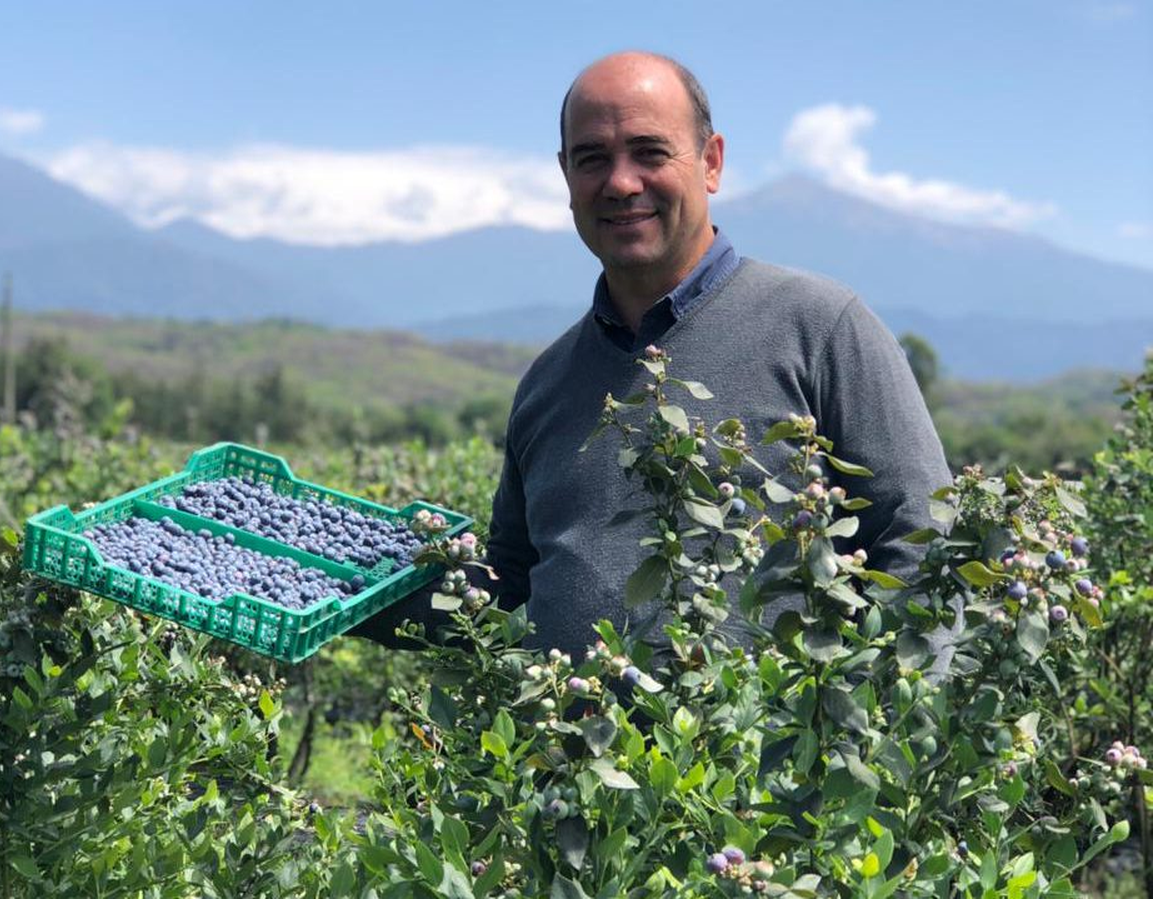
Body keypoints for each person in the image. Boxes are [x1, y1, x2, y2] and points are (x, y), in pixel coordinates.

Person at [353, 51, 951, 656]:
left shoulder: (821, 327)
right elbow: (509, 583)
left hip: (765, 749)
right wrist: (352, 595)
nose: (620, 182)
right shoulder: (548, 382)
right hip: (567, 751)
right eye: (592, 159)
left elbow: (923, 543)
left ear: (710, 162)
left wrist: (868, 726)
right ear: (567, 177)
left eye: (650, 152)